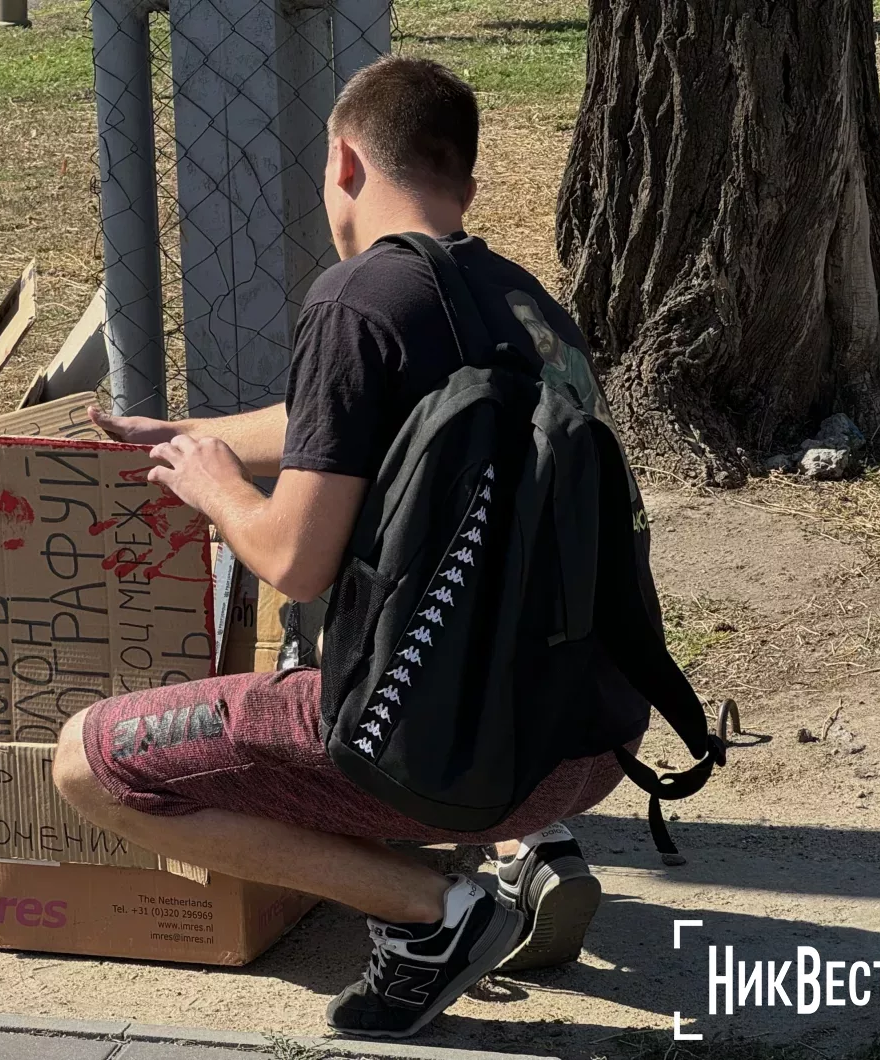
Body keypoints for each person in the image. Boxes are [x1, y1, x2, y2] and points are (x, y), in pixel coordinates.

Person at [53, 55, 640, 1039]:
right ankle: (490, 866)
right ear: (466, 184)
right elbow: (348, 423)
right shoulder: (519, 305)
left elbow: (294, 560)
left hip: (450, 754)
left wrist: (217, 489)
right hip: (589, 744)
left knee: (88, 763)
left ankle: (434, 915)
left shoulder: (356, 296)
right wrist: (188, 437)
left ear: (344, 162)